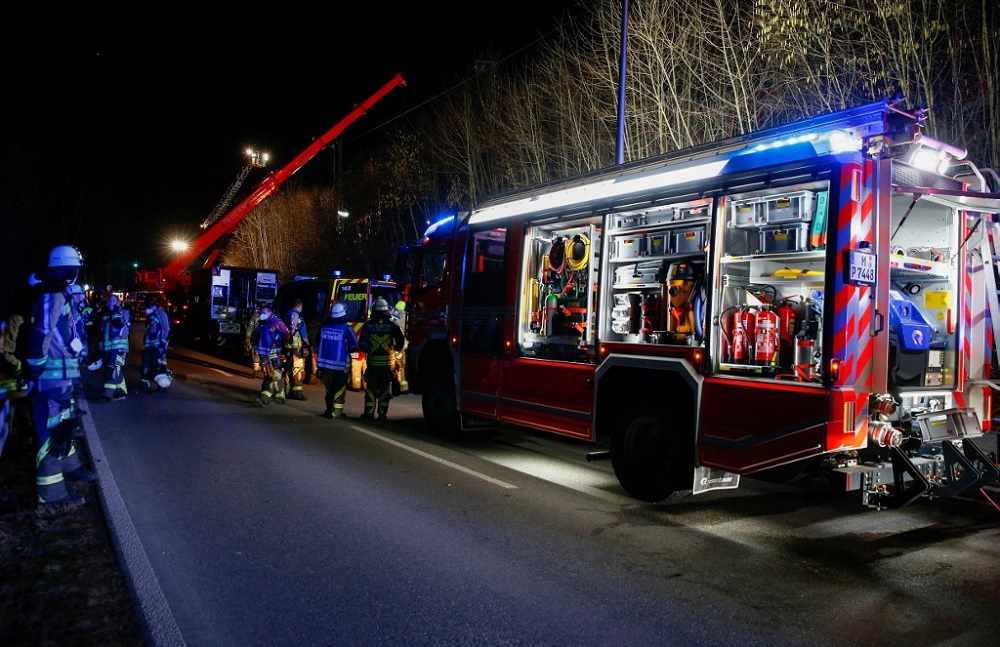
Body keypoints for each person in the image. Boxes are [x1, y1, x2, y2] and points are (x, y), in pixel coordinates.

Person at [24, 245, 96, 506]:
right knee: (51, 433)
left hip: (62, 378)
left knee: (64, 426)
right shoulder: (52, 296)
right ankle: (52, 495)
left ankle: (71, 467)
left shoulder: (60, 295)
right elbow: (41, 334)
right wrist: (35, 369)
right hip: (51, 379)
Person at [358, 297, 405, 421]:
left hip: (373, 364)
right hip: (387, 365)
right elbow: (401, 341)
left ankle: (369, 413)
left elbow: (362, 344)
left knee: (371, 389)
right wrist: (395, 349)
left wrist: (369, 349)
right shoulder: (392, 325)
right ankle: (383, 414)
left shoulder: (368, 325)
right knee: (385, 389)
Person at [315, 302, 359, 420]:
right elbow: (354, 346)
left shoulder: (323, 327)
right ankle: (336, 413)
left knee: (329, 389)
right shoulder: (347, 329)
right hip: (341, 366)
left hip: (324, 365)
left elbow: (317, 342)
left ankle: (329, 410)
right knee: (339, 390)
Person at [254, 305, 290, 406]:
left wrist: (287, 350)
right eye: (261, 313)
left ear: (270, 313)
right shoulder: (262, 324)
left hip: (275, 354)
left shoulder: (278, 323)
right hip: (264, 355)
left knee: (272, 376)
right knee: (273, 376)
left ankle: (264, 397)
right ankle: (279, 396)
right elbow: (257, 337)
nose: (262, 315)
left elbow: (287, 335)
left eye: (264, 313)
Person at [98, 293, 130, 401]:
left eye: (114, 301)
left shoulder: (124, 313)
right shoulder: (106, 314)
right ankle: (120, 392)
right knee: (117, 369)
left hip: (120, 348)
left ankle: (108, 395)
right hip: (108, 348)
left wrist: (115, 312)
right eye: (110, 301)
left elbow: (120, 325)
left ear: (119, 302)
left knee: (112, 369)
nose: (112, 302)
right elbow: (102, 332)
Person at [140, 295, 172, 393]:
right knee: (145, 364)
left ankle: (162, 386)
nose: (146, 309)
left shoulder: (161, 314)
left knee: (159, 365)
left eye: (148, 307)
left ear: (154, 306)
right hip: (150, 345)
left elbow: (166, 329)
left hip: (158, 346)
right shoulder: (151, 315)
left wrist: (162, 344)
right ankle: (144, 383)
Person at [283, 298, 311, 401]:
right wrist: (307, 344)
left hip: (288, 347)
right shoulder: (296, 316)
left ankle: (288, 391)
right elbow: (299, 331)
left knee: (289, 369)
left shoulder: (288, 314)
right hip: (296, 348)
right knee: (298, 369)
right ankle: (297, 393)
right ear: (300, 306)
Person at [244, 304, 263, 378]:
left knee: (261, 355)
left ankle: (262, 371)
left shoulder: (269, 316)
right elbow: (250, 327)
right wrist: (247, 338)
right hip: (258, 339)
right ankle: (256, 370)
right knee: (256, 355)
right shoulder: (256, 315)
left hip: (263, 340)